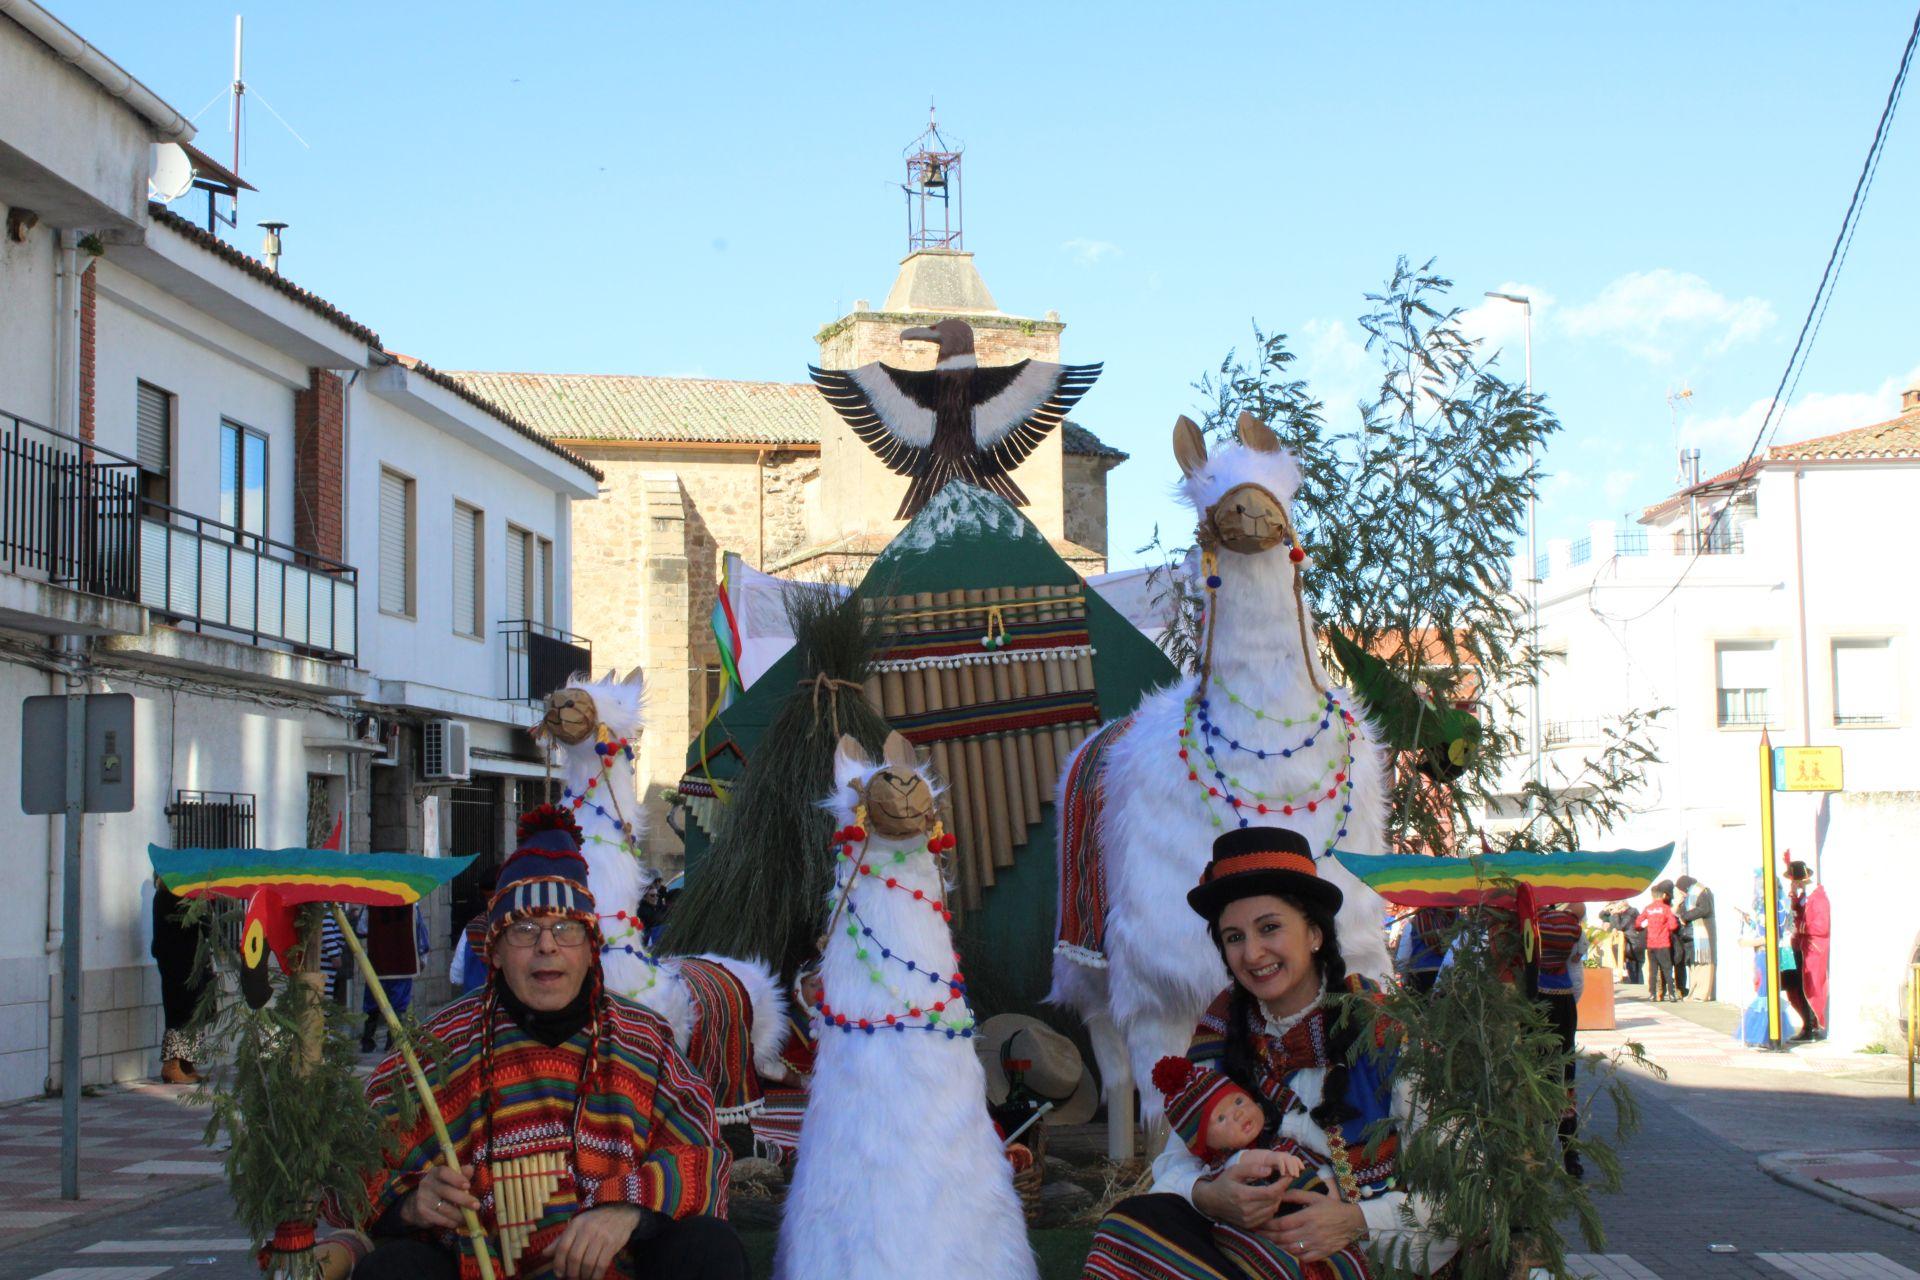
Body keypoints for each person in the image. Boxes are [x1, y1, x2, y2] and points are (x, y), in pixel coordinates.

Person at [332, 805, 746, 1280]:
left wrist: (630, 1209)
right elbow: (351, 1164)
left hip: (618, 1268)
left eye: (566, 929)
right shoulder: (437, 1049)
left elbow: (703, 1155)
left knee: (710, 1249)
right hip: (477, 1269)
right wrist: (411, 1203)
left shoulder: (643, 1041)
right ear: (497, 950)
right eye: (525, 930)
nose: (546, 946)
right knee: (393, 1270)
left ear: (591, 950)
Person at [1083, 826, 1458, 1278]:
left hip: (1355, 1253)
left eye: (1270, 928)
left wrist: (1355, 1221)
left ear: (1315, 933)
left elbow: (1463, 1194)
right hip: (1240, 1239)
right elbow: (1176, 1162)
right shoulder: (1219, 1034)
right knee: (1125, 1230)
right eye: (1234, 937)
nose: (1253, 952)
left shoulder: (1387, 1033)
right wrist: (1210, 1194)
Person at [1529, 903, 1586, 1179]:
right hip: (1564, 1003)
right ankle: (1570, 1152)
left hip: (1537, 1002)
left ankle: (1536, 1151)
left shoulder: (1531, 926)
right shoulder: (1573, 929)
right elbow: (1576, 977)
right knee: (1565, 1077)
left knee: (1536, 1073)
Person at [150, 874, 210, 1084]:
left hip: (188, 962)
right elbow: (198, 924)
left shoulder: (174, 897)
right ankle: (172, 1063)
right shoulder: (170, 898)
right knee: (180, 1011)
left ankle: (186, 1062)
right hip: (179, 964)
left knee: (192, 1011)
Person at [1784, 860, 1828, 1041]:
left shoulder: (1818, 898)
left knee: (1808, 987)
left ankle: (1811, 1027)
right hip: (1800, 946)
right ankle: (1807, 1024)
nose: (1793, 884)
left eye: (1795, 881)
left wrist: (1799, 927)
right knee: (1793, 987)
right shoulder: (1803, 896)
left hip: (1812, 949)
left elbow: (1821, 927)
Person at [1393, 906, 1457, 996]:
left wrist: (1402, 975)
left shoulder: (1414, 923)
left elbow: (1403, 957)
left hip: (1419, 976)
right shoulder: (1452, 922)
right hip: (1447, 975)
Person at [1675, 876, 1716, 1003]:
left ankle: (1703, 994)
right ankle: (1694, 992)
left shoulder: (1702, 891)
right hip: (1692, 937)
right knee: (1694, 965)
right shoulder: (1688, 897)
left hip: (1704, 934)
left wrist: (1685, 916)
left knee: (1704, 964)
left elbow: (1704, 909)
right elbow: (1679, 912)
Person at [1636, 891, 1680, 1002]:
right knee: (1667, 969)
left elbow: (1638, 923)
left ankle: (1652, 994)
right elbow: (1673, 925)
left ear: (1653, 896)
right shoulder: (1665, 908)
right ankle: (1671, 994)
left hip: (1651, 944)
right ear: (1663, 896)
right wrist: (1667, 929)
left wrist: (1641, 929)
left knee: (1653, 970)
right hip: (1664, 943)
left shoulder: (1648, 908)